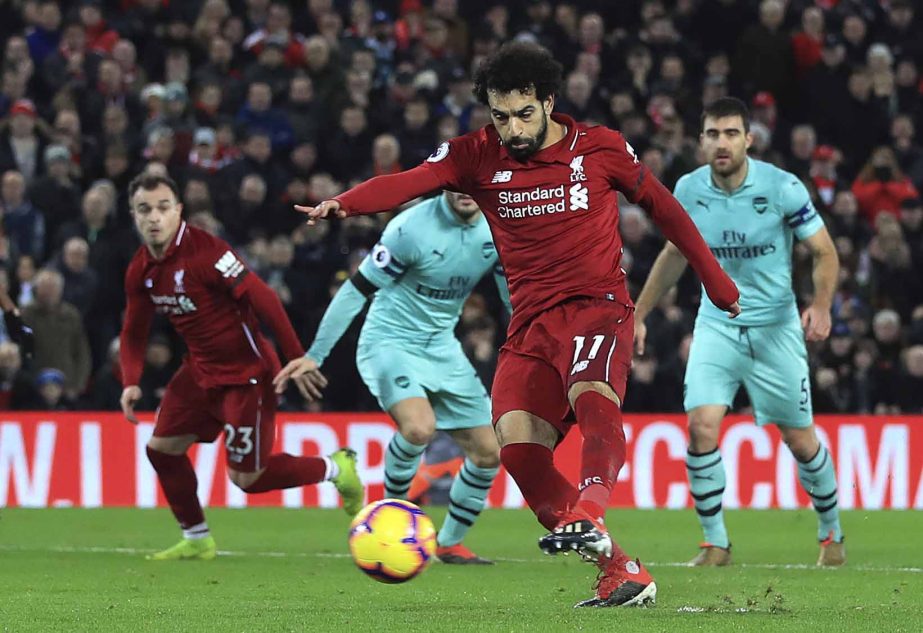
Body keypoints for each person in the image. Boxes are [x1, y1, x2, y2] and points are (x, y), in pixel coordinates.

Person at [286, 42, 739, 608]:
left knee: (593, 393)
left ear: (548, 101)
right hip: (530, 325)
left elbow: (666, 209)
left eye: (524, 113)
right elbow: (407, 182)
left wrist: (716, 281)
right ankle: (621, 571)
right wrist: (345, 204)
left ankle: (590, 511)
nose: (513, 128)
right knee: (518, 449)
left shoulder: (598, 148)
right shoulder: (474, 155)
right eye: (501, 116)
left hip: (597, 305)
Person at [633, 97, 845, 567]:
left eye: (731, 133)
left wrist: (822, 305)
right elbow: (674, 255)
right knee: (701, 425)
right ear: (701, 140)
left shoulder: (783, 187)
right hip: (717, 325)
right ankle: (715, 543)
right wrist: (639, 313)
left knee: (800, 439)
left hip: (776, 329)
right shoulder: (687, 190)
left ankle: (831, 532)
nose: (721, 142)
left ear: (749, 139)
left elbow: (824, 251)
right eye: (713, 134)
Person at [119, 173, 363, 561]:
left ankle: (335, 468)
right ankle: (197, 538)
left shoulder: (206, 252)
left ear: (178, 211)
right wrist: (130, 381)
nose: (154, 218)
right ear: (133, 215)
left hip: (246, 374)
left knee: (247, 479)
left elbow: (261, 295)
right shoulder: (140, 269)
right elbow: (133, 331)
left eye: (163, 207)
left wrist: (295, 353)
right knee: (161, 450)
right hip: (199, 372)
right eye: (144, 209)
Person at [275, 191, 510, 565]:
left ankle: (449, 544)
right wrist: (315, 354)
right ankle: (390, 514)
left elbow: (511, 295)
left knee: (489, 452)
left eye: (473, 183)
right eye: (457, 182)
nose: (465, 191)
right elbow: (356, 290)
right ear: (445, 183)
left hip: (442, 347)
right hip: (389, 341)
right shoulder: (410, 229)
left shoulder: (498, 226)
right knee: (419, 428)